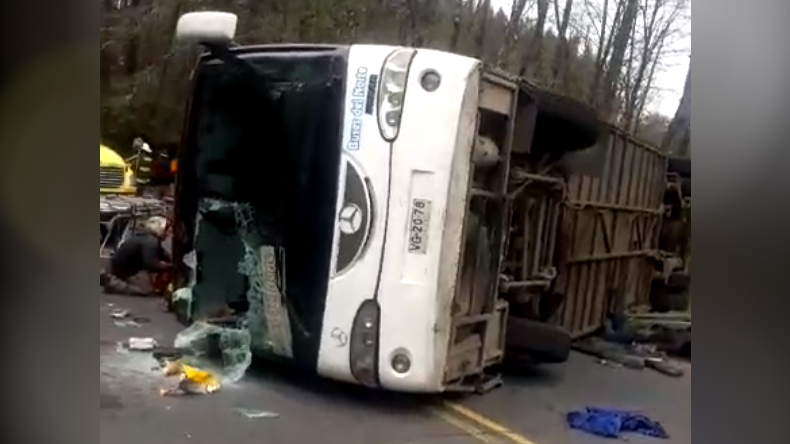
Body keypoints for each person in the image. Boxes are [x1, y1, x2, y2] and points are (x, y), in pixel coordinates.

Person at [100, 216, 172, 296]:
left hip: (120, 265)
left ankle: (113, 278)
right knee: (146, 291)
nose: (168, 233)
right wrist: (169, 267)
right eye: (167, 230)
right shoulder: (151, 241)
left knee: (147, 284)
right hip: (125, 270)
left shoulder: (145, 236)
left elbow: (161, 252)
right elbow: (151, 264)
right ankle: (112, 282)